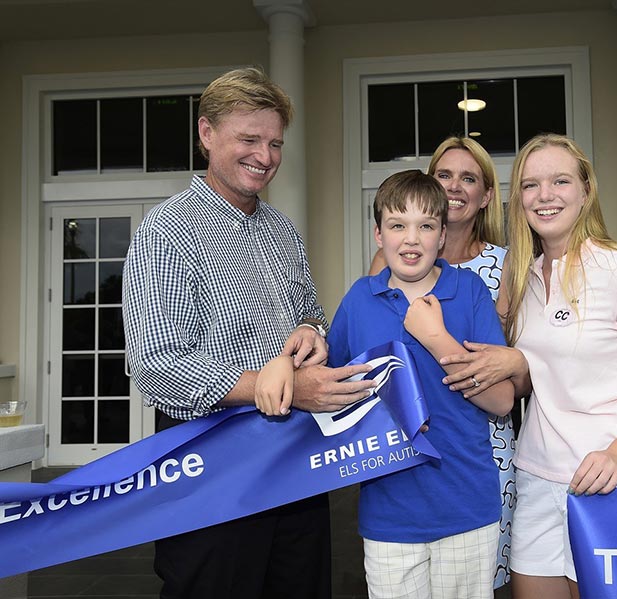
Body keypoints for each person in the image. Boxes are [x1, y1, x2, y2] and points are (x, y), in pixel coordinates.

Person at [122, 66, 376, 599]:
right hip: (212, 471)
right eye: (249, 139)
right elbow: (157, 366)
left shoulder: (282, 228)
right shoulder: (165, 232)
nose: (265, 156)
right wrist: (273, 384)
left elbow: (311, 312)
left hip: (296, 466)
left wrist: (313, 334)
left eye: (275, 142)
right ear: (206, 134)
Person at [440, 134, 617, 599]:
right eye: (532, 185)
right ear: (518, 199)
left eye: (560, 181)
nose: (545, 195)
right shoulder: (523, 278)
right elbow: (520, 377)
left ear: (585, 191)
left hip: (612, 480)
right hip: (536, 478)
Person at [330, 169, 514, 598]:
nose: (411, 240)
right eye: (398, 225)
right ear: (378, 234)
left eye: (426, 226)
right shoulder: (360, 299)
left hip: (465, 503)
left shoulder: (467, 291)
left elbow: (503, 400)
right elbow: (331, 388)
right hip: (388, 509)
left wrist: (435, 338)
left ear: (442, 236)